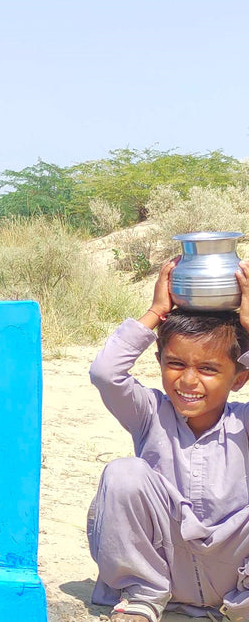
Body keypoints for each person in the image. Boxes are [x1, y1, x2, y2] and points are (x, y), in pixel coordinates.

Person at [87, 258, 249, 622]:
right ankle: (142, 595)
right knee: (123, 473)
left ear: (239, 379)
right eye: (176, 364)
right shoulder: (149, 413)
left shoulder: (243, 423)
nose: (189, 381)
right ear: (159, 361)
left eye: (208, 369)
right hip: (166, 570)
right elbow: (105, 373)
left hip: (234, 576)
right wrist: (157, 311)